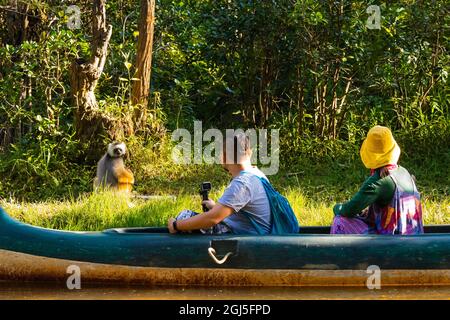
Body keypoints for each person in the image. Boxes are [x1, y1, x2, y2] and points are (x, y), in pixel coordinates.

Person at [167, 133, 299, 235]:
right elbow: (245, 211)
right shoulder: (257, 175)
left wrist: (176, 225)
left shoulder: (242, 183)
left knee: (184, 216)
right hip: (259, 232)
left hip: (251, 240)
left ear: (224, 156)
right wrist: (215, 206)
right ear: (249, 153)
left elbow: (212, 219)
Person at [331, 125, 423, 235]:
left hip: (393, 242)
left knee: (339, 221)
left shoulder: (379, 180)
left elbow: (350, 210)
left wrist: (337, 208)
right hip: (415, 237)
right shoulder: (404, 172)